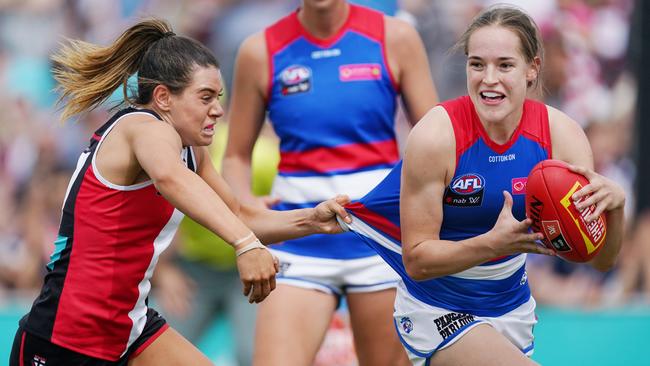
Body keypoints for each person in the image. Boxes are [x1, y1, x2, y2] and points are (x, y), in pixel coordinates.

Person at [9, 19, 351, 366]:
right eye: (205, 98)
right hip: (65, 338)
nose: (217, 109)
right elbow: (170, 179)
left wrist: (313, 219)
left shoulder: (192, 150)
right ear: (163, 97)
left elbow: (240, 216)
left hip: (130, 329)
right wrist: (245, 244)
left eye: (218, 98)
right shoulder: (141, 127)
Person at [339, 5, 626, 366]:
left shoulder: (561, 136)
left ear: (532, 69)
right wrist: (492, 244)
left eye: (505, 65)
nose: (489, 78)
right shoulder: (436, 135)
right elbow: (416, 260)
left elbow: (599, 260)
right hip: (437, 310)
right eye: (477, 64)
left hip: (512, 308)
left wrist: (616, 209)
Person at [222, 0, 438, 365]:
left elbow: (437, 139)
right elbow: (235, 156)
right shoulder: (259, 50)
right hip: (297, 243)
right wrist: (245, 203)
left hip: (379, 241)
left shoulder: (396, 36)